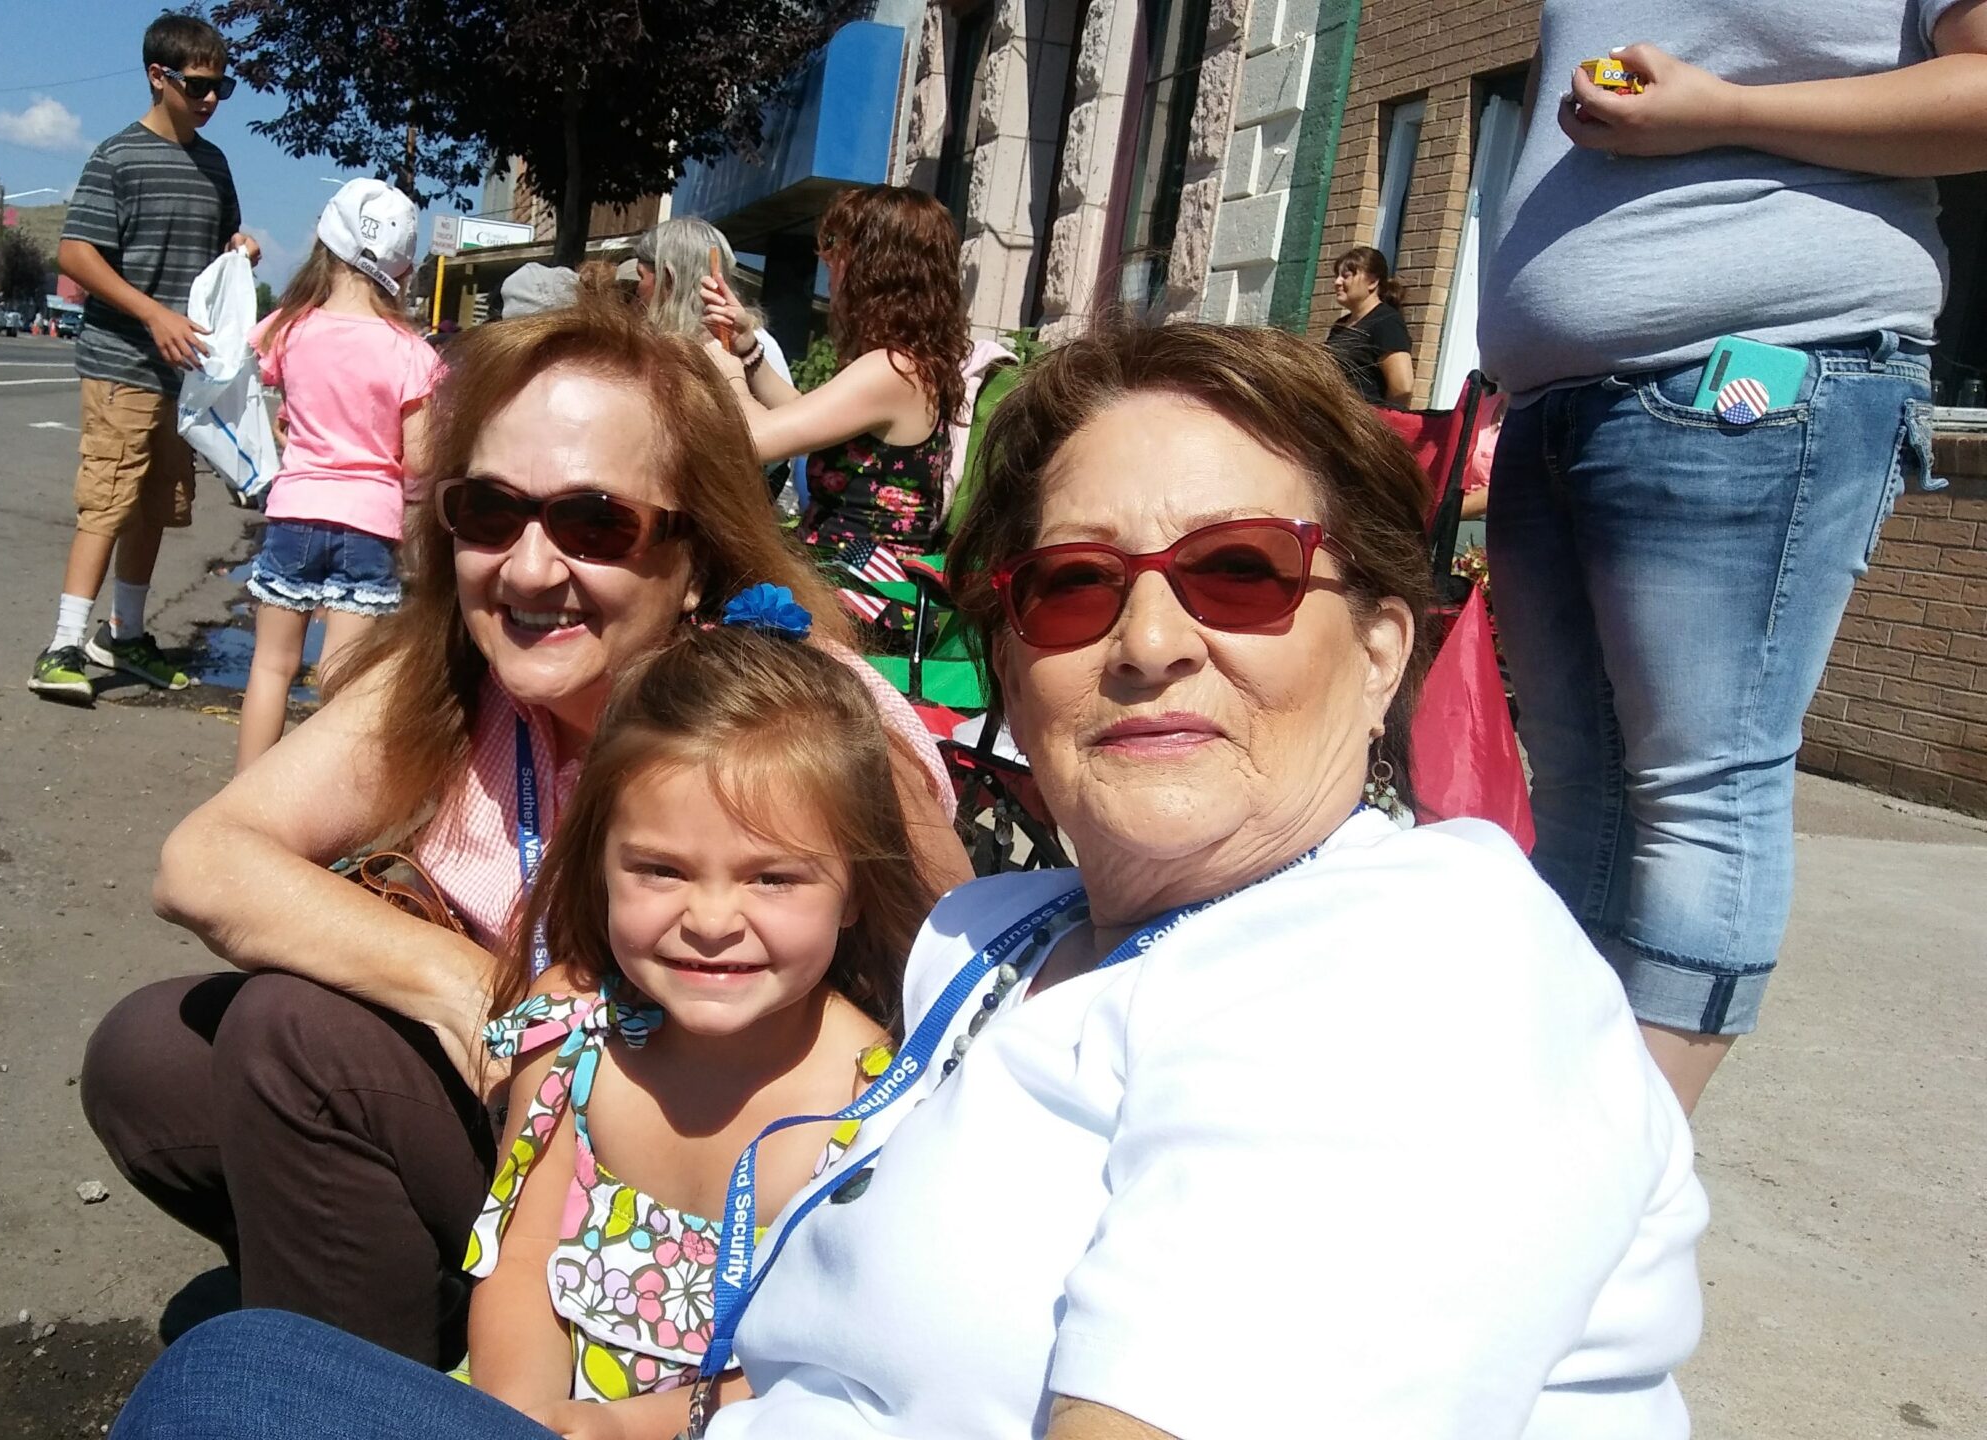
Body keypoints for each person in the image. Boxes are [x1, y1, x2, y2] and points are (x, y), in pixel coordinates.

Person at [105, 319, 1710, 1440]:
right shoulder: (1012, 939)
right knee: (230, 1284)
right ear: (1009, 654)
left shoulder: (1419, 968)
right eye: (1074, 587)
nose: (1152, 642)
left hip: (660, 1192)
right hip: (674, 1346)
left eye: (1239, 572)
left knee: (235, 1379)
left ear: (1382, 649)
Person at [80, 299, 972, 1371]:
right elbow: (205, 862)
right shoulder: (458, 677)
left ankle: (363, 1381)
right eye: (491, 512)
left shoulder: (804, 719)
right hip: (533, 1124)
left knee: (290, 1037)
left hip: (724, 1186)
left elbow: (957, 1006)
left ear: (692, 555)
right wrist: (477, 994)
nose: (531, 568)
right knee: (151, 1057)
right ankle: (396, 1324)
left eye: (595, 523)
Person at [1477, 3, 1985, 1112]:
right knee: (1577, 793)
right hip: (1554, 395)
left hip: (1757, 373)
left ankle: (1619, 1180)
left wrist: (1721, 113)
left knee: (1700, 785)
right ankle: (1547, 1136)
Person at [462, 595, 935, 1439]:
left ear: (857, 886)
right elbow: (519, 1263)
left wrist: (622, 1429)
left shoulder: (886, 1104)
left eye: (772, 878)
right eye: (661, 869)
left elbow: (846, 1364)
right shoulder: (571, 1037)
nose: (712, 921)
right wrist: (524, 1422)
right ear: (599, 863)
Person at [27, 10, 257, 704]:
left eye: (223, 87)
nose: (211, 99)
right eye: (198, 86)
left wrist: (240, 254)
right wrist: (151, 312)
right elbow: (74, 253)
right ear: (159, 78)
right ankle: (63, 643)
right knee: (109, 496)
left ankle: (124, 634)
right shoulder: (118, 156)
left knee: (156, 504)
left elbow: (220, 244)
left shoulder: (214, 165)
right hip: (122, 361)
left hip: (183, 374)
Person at [234, 179, 436, 771]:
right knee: (341, 682)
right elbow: (419, 462)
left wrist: (293, 421)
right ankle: (321, 813)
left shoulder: (289, 328)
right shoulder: (410, 352)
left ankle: (244, 793)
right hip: (369, 525)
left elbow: (286, 408)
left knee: (271, 666)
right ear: (402, 268)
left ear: (326, 242)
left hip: (294, 512)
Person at [710, 188, 967, 587]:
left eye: (838, 254)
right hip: (846, 578)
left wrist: (724, 367)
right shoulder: (908, 363)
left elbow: (757, 439)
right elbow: (803, 414)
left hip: (860, 596)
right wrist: (746, 348)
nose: (830, 270)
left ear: (875, 268)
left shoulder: (892, 369)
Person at [629, 217, 791, 389]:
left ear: (668, 278)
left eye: (640, 276)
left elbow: (787, 411)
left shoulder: (750, 346)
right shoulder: (663, 346)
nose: (636, 290)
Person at [1324, 244, 1415, 408]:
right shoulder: (1340, 326)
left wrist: (1382, 428)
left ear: (1372, 281)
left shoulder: (1386, 322)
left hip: (1363, 424)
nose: (1337, 282)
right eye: (1336, 276)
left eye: (1346, 275)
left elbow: (1402, 388)